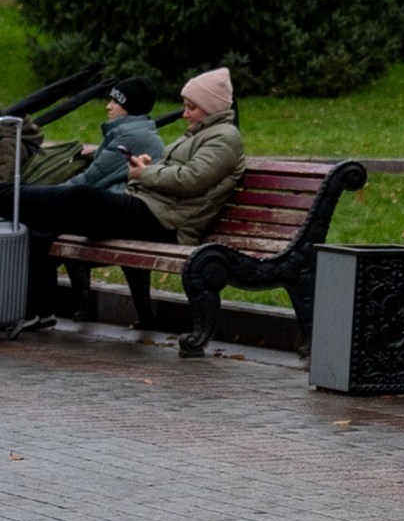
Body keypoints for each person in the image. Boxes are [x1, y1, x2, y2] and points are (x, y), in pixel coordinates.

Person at [19, 69, 242, 333]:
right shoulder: (198, 134)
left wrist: (144, 172)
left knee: (80, 198)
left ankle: (10, 198)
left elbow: (191, 179)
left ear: (211, 108)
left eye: (191, 107)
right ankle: (34, 309)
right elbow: (172, 173)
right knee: (44, 222)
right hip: (148, 209)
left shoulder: (224, 138)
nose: (184, 114)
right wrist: (145, 167)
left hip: (166, 223)